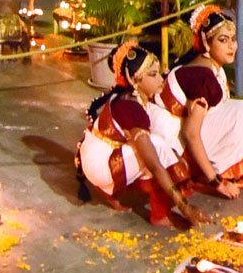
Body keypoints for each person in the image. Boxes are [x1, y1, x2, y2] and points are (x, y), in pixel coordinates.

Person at [78, 41, 209, 226]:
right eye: (153, 75)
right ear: (133, 80)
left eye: (159, 73)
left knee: (159, 144)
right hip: (101, 164)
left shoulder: (134, 96)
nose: (161, 79)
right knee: (157, 147)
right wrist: (184, 206)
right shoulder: (130, 106)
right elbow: (154, 164)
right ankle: (160, 215)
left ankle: (132, 196)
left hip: (99, 155)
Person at [160, 6, 243, 197]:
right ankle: (207, 173)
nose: (232, 47)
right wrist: (216, 183)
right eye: (223, 41)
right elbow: (190, 133)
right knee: (240, 111)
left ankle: (234, 167)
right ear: (205, 43)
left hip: (189, 138)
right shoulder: (202, 77)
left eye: (233, 40)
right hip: (178, 148)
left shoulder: (213, 68)